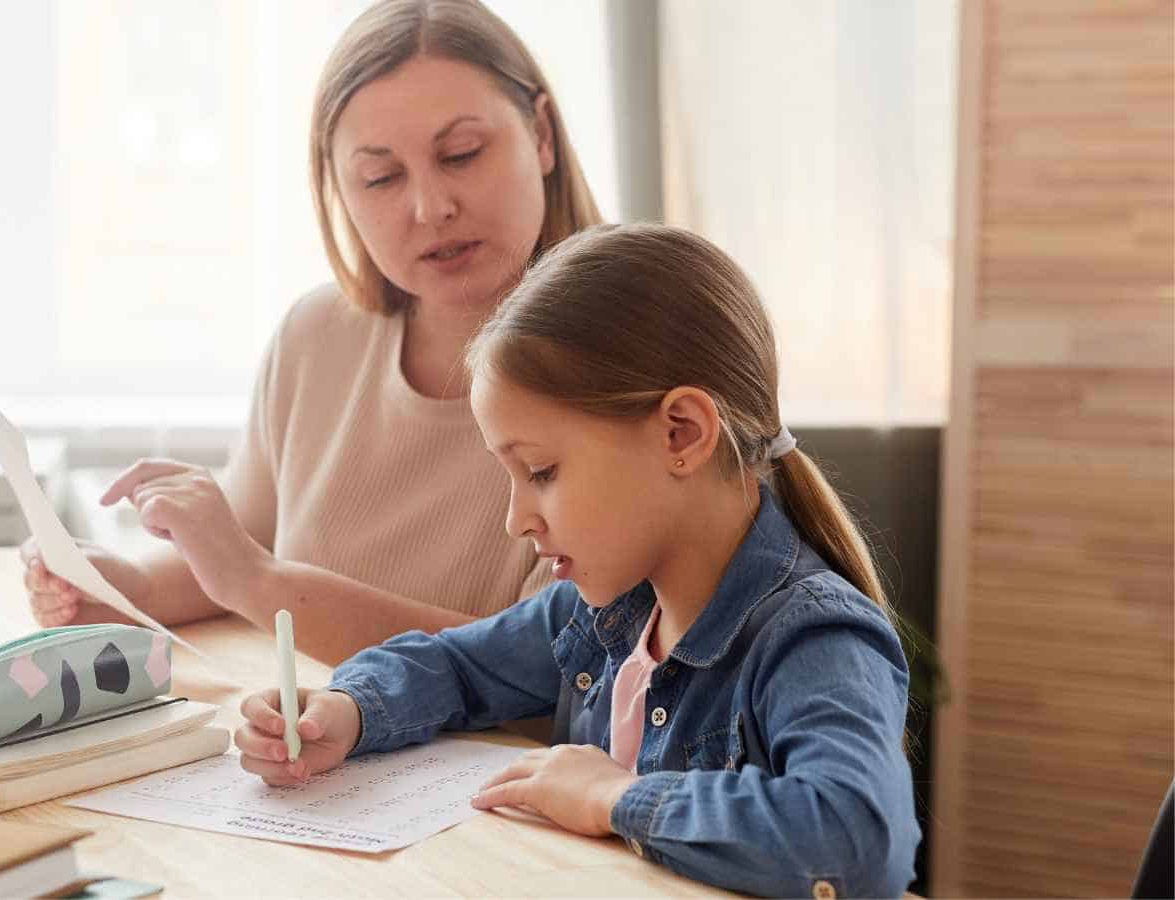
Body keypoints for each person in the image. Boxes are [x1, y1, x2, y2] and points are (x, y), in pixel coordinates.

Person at [233, 224, 921, 898]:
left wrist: (618, 798)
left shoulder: (816, 640)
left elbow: (856, 841)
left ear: (681, 433)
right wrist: (344, 712)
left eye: (541, 471)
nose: (516, 518)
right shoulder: (606, 611)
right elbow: (458, 666)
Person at [22, 0, 604, 663]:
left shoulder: (625, 361)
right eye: (380, 177)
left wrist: (256, 581)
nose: (431, 207)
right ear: (339, 190)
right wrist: (129, 587)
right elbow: (244, 552)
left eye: (462, 154)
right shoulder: (318, 337)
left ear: (542, 135)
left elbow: (553, 668)